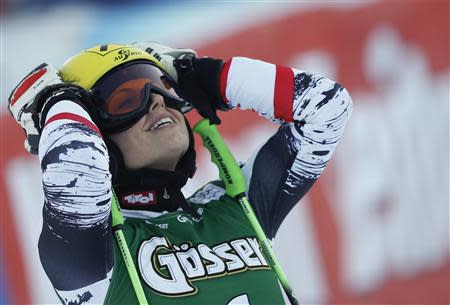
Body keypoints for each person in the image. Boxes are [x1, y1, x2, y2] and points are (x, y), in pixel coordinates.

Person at [8, 42, 352, 305]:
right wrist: (57, 101)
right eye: (126, 99)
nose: (157, 101)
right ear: (97, 133)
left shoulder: (239, 208)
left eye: (163, 88)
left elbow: (327, 106)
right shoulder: (90, 255)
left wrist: (209, 77)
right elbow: (78, 167)